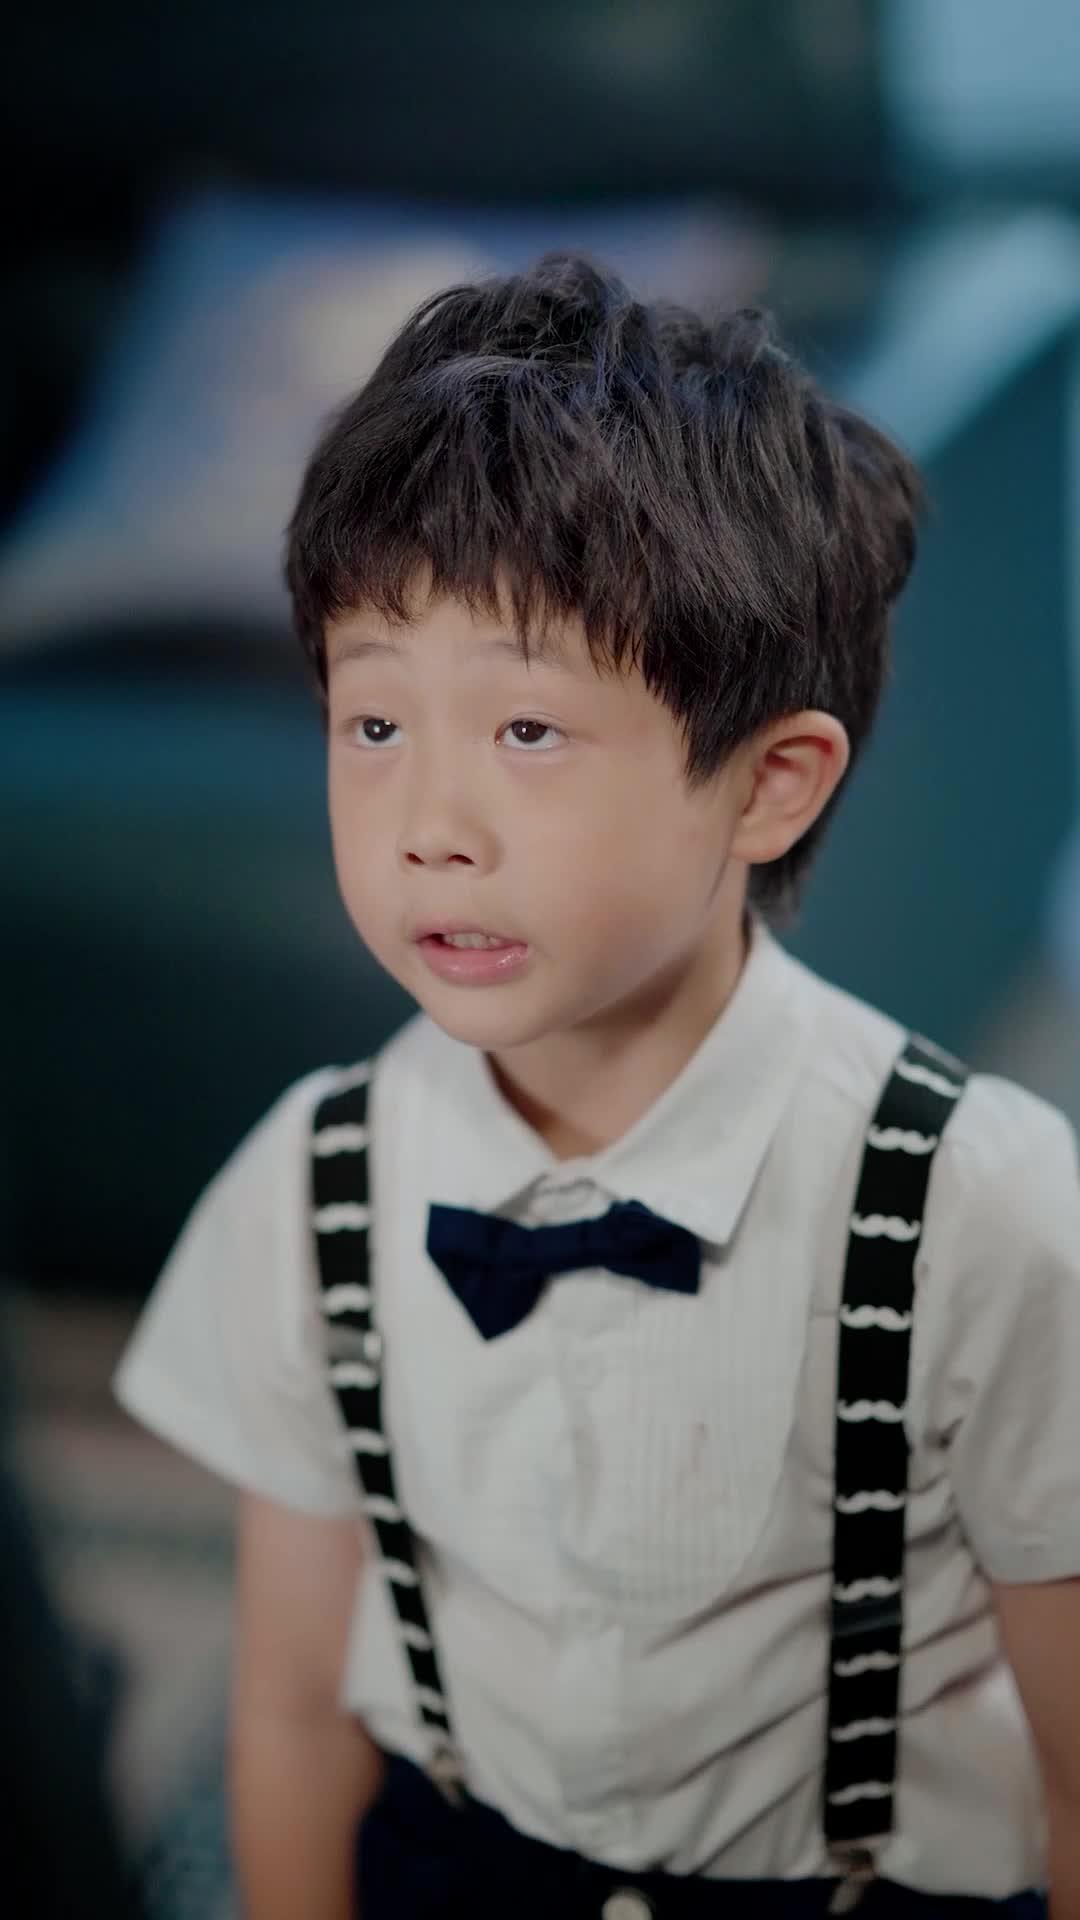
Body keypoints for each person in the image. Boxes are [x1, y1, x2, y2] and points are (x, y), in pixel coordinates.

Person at [113, 254, 1080, 1920]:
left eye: (529, 733)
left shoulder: (974, 1208)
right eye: (373, 725)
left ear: (769, 785)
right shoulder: (316, 1184)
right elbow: (289, 1715)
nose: (431, 825)